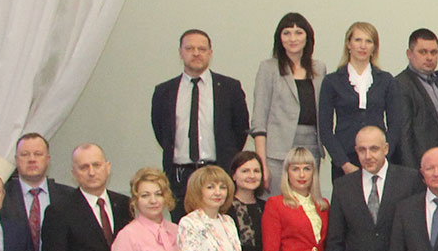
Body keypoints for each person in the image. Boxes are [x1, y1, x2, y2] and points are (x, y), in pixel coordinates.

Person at [151, 29, 250, 197]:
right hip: (180, 176)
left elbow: (241, 130)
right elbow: (161, 132)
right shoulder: (164, 91)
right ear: (180, 53)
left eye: (202, 49)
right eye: (189, 48)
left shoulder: (230, 88)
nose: (196, 53)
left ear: (210, 53)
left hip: (219, 173)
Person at [319, 21, 402, 181]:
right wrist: (344, 164)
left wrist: (383, 158)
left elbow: (396, 124)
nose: (363, 46)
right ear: (348, 44)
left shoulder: (386, 80)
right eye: (358, 40)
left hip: (379, 161)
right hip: (345, 160)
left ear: (374, 48)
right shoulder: (332, 81)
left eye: (368, 41)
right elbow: (325, 129)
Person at [251, 12, 325, 192]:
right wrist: (261, 163)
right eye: (287, 33)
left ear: (308, 37)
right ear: (279, 38)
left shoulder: (319, 68)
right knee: (278, 201)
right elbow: (259, 119)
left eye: (298, 32)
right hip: (277, 150)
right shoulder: (268, 68)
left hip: (311, 146)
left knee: (307, 200)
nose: (293, 38)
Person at [397, 28, 438, 171]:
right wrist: (412, 173)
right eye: (423, 52)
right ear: (409, 54)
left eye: (433, 52)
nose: (429, 57)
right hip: (420, 169)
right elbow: (404, 135)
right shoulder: (401, 84)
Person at [2, 132, 58, 251]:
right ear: (16, 160)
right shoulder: (1, 197)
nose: (32, 159)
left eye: (38, 154)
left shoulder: (68, 197)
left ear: (47, 159)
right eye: (25, 154)